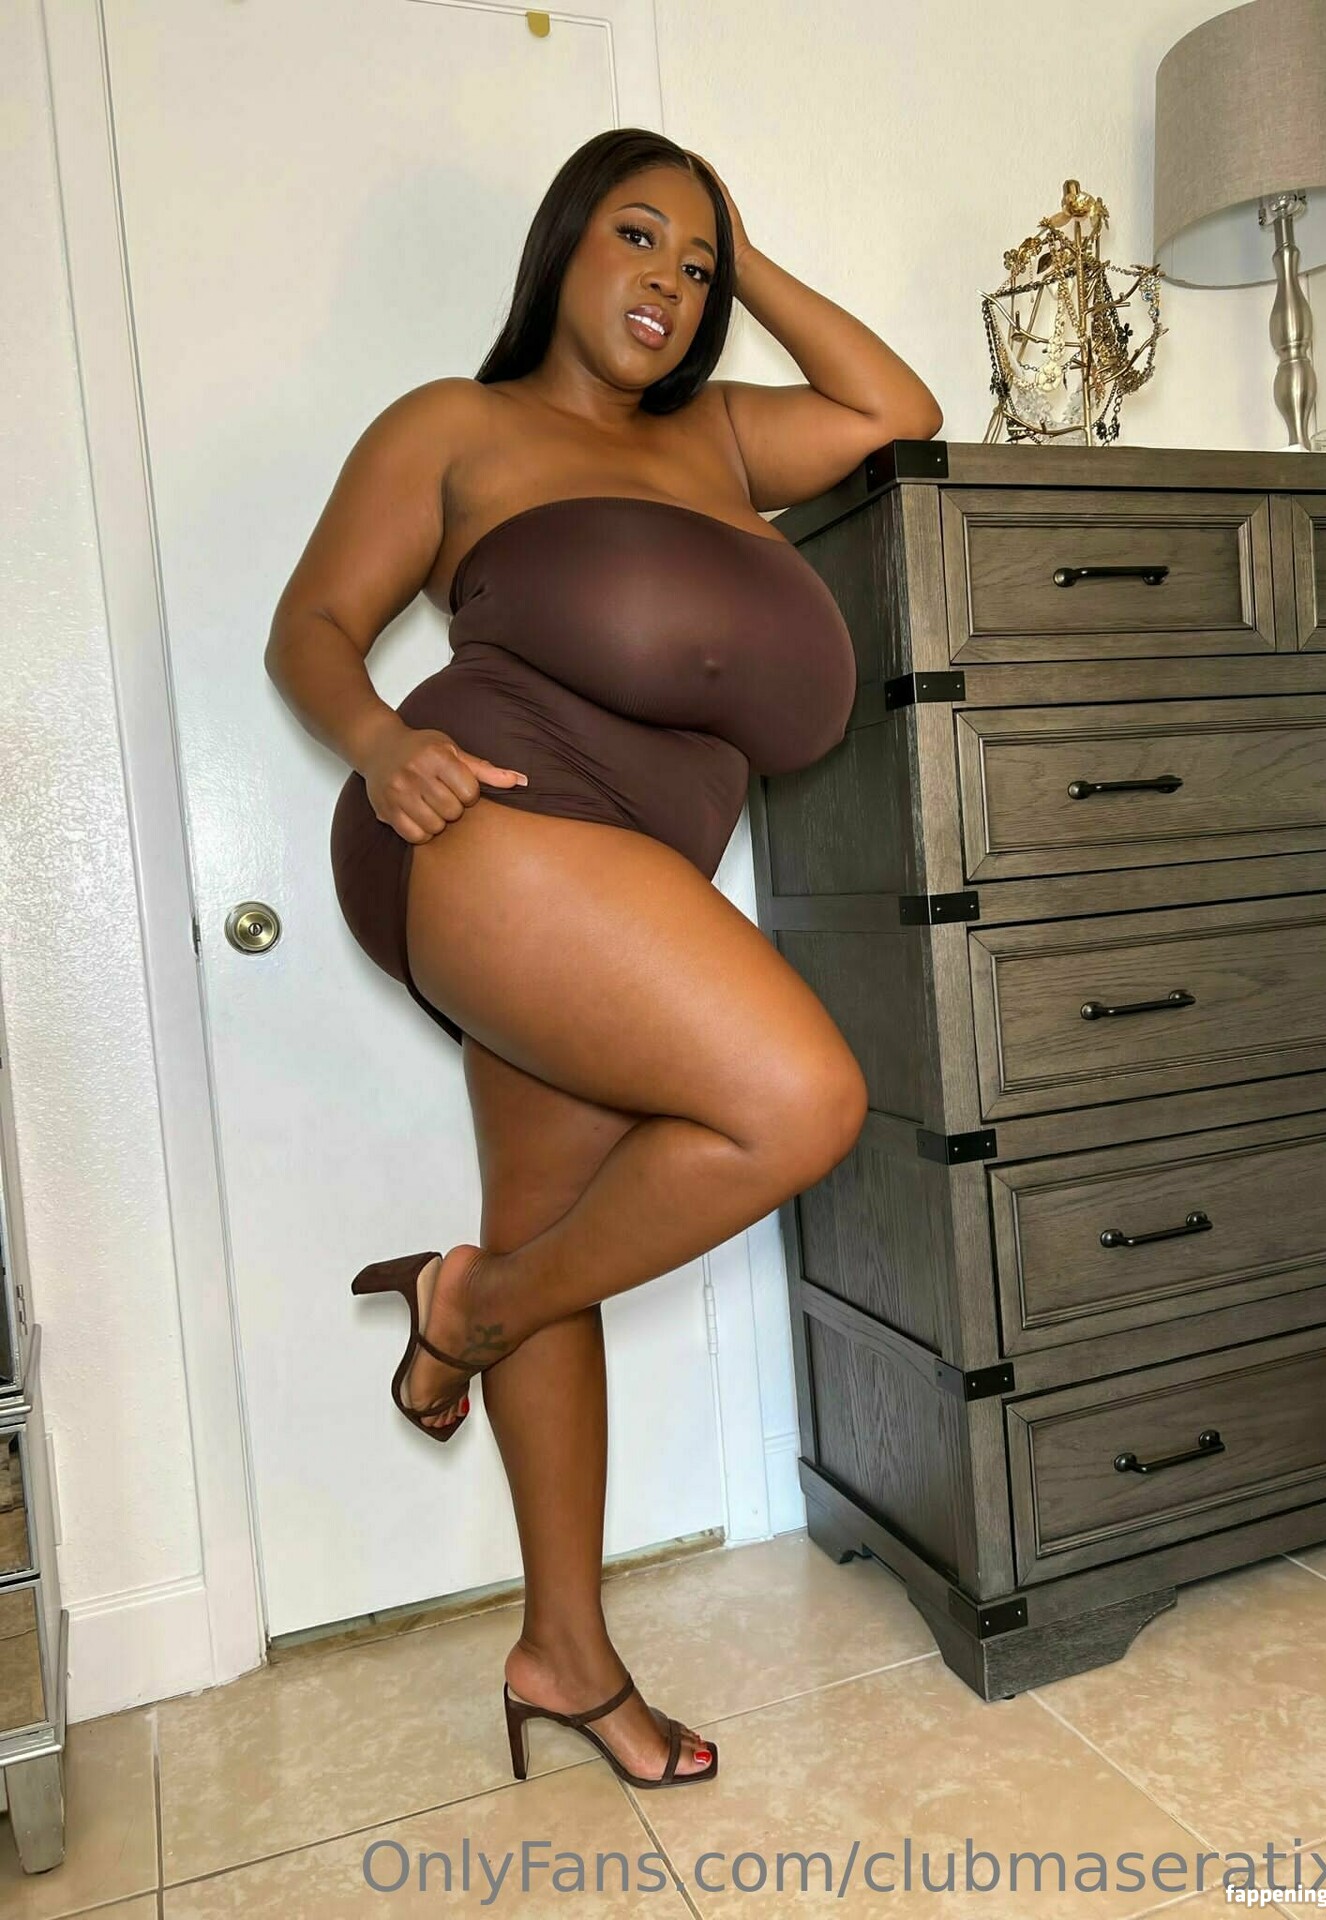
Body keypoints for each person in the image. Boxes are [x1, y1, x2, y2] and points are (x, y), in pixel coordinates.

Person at [265, 127, 942, 1790]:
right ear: (563, 244)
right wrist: (377, 744)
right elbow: (310, 627)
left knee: (549, 1231)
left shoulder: (723, 437)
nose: (671, 281)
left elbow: (896, 410)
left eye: (696, 265)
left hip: (619, 884)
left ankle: (561, 1647)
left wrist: (747, 253)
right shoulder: (455, 424)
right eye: (637, 237)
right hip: (484, 821)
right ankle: (473, 1307)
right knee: (801, 1098)